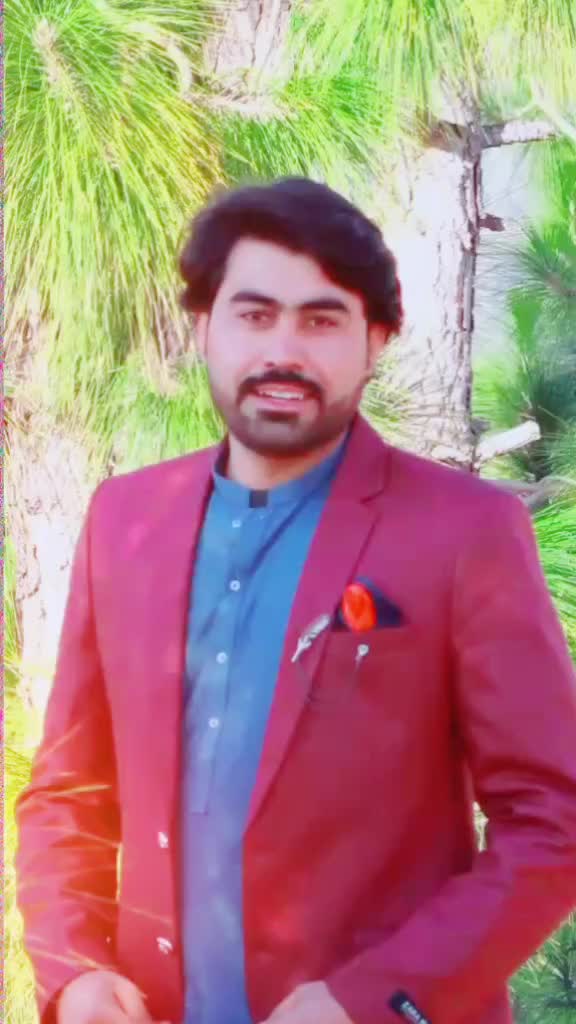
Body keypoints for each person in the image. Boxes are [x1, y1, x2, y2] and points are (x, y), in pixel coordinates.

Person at [16, 177, 576, 1024]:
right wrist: (75, 972)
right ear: (203, 328)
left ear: (376, 341)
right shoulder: (127, 519)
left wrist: (372, 998)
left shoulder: (464, 531)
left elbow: (552, 820)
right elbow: (69, 792)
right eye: (254, 314)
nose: (284, 350)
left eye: (322, 320)